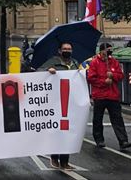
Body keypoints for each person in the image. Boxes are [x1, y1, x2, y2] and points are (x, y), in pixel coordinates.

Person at [38, 42, 78, 170]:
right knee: (57, 131)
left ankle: (65, 161)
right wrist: (47, 70)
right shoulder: (53, 62)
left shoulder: (75, 63)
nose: (67, 50)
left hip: (70, 102)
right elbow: (38, 72)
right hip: (55, 102)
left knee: (68, 132)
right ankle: (54, 157)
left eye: (69, 49)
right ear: (59, 51)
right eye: (65, 49)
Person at [88, 43, 131, 151]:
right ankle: (99, 139)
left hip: (113, 95)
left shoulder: (114, 62)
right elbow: (91, 78)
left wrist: (113, 76)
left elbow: (120, 75)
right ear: (102, 51)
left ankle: (123, 141)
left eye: (110, 50)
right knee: (98, 119)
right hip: (100, 96)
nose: (109, 52)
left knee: (117, 119)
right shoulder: (95, 63)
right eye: (108, 50)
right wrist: (104, 82)